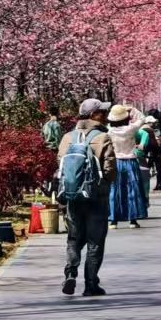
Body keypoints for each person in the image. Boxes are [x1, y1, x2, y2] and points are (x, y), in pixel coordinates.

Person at [56, 99, 115, 297]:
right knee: (95, 241)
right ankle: (91, 284)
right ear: (93, 115)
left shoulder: (67, 138)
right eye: (102, 112)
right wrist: (105, 184)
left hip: (73, 197)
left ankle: (70, 273)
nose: (105, 115)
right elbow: (109, 170)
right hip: (96, 198)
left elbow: (61, 167)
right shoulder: (103, 137)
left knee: (74, 238)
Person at [106, 104, 147, 227]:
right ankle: (132, 220)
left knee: (114, 190)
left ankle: (113, 220)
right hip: (130, 161)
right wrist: (132, 109)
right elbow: (142, 118)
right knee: (132, 190)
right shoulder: (130, 129)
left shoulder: (109, 131)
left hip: (115, 162)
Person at [143, 112, 161, 191]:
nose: (154, 123)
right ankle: (160, 183)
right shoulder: (159, 125)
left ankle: (158, 183)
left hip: (156, 149)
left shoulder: (155, 128)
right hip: (158, 149)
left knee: (154, 166)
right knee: (158, 165)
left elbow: (158, 138)